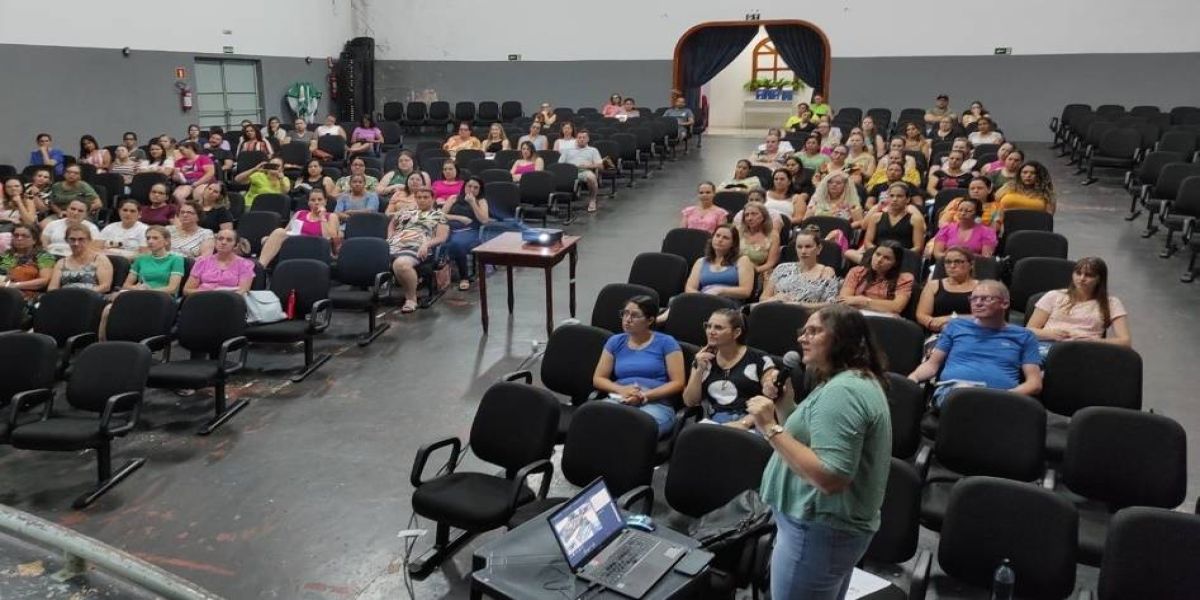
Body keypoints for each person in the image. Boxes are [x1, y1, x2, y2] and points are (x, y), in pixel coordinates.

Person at [752, 304, 891, 600]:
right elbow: (809, 437)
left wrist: (769, 427)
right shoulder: (845, 380)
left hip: (816, 530)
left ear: (842, 339)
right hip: (819, 528)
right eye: (803, 331)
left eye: (814, 331)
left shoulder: (844, 391)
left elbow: (830, 476)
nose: (802, 338)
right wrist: (784, 404)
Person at [909, 280, 1042, 405]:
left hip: (1000, 398)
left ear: (1005, 304)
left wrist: (1005, 396)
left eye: (986, 299)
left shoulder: (1024, 336)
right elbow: (932, 365)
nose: (977, 303)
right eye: (973, 298)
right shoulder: (955, 326)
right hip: (953, 393)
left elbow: (1034, 383)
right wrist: (913, 378)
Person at [593, 296, 686, 437]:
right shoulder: (615, 341)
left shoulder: (667, 343)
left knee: (632, 430)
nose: (627, 319)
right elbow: (598, 378)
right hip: (621, 398)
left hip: (655, 403)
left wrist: (643, 396)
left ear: (650, 320)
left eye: (634, 315)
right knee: (594, 421)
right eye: (625, 313)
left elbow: (678, 383)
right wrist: (621, 390)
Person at [684, 308, 779, 427]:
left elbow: (771, 396)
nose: (711, 331)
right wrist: (698, 370)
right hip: (714, 422)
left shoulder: (758, 359)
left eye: (718, 328)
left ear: (736, 333)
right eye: (708, 326)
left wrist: (743, 423)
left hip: (752, 423)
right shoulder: (703, 358)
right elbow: (690, 402)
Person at [1026, 257, 1131, 348]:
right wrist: (1050, 334)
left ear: (1099, 279)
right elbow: (1029, 331)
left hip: (1086, 350)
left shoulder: (1111, 303)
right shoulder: (1053, 296)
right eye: (1078, 273)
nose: (1082, 278)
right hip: (1048, 345)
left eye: (1089, 275)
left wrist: (1093, 341)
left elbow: (1125, 342)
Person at [387, 188, 448, 313]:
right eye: (419, 197)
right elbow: (392, 223)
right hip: (395, 243)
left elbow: (442, 237)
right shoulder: (406, 212)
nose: (422, 200)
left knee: (401, 265)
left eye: (425, 197)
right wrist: (390, 236)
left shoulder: (439, 215)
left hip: (418, 245)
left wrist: (426, 244)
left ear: (433, 199)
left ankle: (411, 298)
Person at [257, 189, 340, 267]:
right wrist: (271, 238)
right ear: (308, 203)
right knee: (279, 231)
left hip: (316, 247)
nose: (316, 202)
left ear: (325, 201)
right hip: (295, 244)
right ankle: (260, 267)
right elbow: (286, 232)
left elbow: (329, 237)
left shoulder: (331, 216)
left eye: (320, 199)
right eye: (313, 200)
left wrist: (322, 217)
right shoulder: (300, 213)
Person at [848, 183, 926, 264]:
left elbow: (918, 247)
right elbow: (868, 242)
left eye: (899, 196)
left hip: (902, 258)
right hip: (877, 256)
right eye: (891, 196)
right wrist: (879, 255)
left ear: (908, 199)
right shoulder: (876, 217)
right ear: (887, 198)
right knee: (848, 253)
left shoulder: (916, 219)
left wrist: (895, 256)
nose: (895, 199)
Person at [760, 228, 840, 306]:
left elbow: (831, 304)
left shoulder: (827, 273)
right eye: (799, 247)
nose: (803, 251)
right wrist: (775, 299)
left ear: (819, 248)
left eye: (808, 247)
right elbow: (763, 299)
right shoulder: (781, 268)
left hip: (807, 313)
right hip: (776, 310)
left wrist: (800, 305)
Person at [837, 240, 914, 316]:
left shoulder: (904, 279)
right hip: (856, 315)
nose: (879, 260)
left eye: (886, 258)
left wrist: (864, 301)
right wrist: (881, 305)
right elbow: (843, 300)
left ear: (895, 263)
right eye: (877, 254)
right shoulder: (857, 271)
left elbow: (897, 307)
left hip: (885, 318)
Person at [915, 246, 979, 333]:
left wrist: (951, 319)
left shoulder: (982, 287)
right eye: (948, 262)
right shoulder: (933, 285)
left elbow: (986, 316)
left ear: (971, 264)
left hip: (972, 332)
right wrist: (933, 323)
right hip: (940, 332)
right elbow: (921, 315)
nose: (952, 266)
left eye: (958, 261)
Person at [684, 223, 755, 301]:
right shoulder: (701, 261)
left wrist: (720, 291)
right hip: (702, 300)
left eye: (725, 238)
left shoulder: (742, 260)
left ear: (733, 243)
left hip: (727, 303)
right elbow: (689, 288)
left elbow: (746, 291)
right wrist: (703, 298)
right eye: (717, 236)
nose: (720, 240)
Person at [442, 177, 490, 290]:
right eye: (469, 186)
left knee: (457, 243)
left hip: (470, 231)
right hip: (449, 228)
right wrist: (460, 218)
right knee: (437, 239)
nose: (472, 189)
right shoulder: (453, 198)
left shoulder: (481, 201)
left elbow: (484, 220)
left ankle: (464, 277)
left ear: (480, 190)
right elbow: (440, 215)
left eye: (476, 188)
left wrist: (473, 203)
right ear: (464, 187)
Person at [182, 229, 254, 296]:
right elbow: (187, 290)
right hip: (203, 298)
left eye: (229, 240)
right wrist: (210, 293)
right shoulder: (202, 261)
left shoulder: (245, 264)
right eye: (220, 239)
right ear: (215, 242)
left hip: (229, 301)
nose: (223, 242)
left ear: (236, 245)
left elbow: (243, 291)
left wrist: (220, 296)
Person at [806, 172, 865, 250]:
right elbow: (806, 220)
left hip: (839, 236)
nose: (834, 185)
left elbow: (860, 222)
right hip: (816, 233)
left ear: (845, 186)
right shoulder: (817, 200)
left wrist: (844, 226)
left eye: (838, 183)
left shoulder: (852, 203)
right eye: (830, 182)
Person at [48, 224, 112, 293]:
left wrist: (81, 294)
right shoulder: (61, 263)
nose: (76, 243)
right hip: (65, 296)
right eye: (72, 239)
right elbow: (52, 288)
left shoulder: (100, 260)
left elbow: (105, 286)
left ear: (89, 240)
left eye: (81, 239)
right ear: (66, 240)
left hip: (91, 296)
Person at [120, 226, 184, 295]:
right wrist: (137, 288)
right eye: (148, 238)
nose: (150, 241)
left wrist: (149, 291)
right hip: (140, 294)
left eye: (155, 238)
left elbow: (172, 289)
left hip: (163, 297)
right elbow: (126, 285)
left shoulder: (176, 259)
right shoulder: (141, 259)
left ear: (166, 241)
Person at [0, 224, 55, 301]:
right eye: (16, 235)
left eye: (24, 236)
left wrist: (14, 285)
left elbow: (44, 281)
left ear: (34, 240)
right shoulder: (8, 255)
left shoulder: (44, 256)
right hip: (4, 292)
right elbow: (3, 275)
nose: (19, 238)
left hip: (29, 296)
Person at [930, 196, 997, 259]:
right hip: (947, 264)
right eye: (960, 210)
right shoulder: (946, 229)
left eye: (968, 211)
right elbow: (937, 253)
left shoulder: (987, 232)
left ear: (977, 214)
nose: (963, 213)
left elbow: (986, 258)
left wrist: (963, 257)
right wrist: (953, 259)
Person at [995, 161, 1056, 228]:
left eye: (1033, 173)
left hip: (1033, 228)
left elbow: (1048, 218)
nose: (1028, 175)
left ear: (1039, 176)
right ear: (1019, 174)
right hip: (1005, 227)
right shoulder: (1008, 186)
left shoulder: (1047, 193)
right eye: (1024, 172)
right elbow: (993, 204)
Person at [558, 129, 603, 212]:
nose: (581, 139)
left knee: (591, 177)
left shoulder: (593, 150)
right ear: (576, 139)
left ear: (588, 139)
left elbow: (600, 165)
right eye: (579, 137)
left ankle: (592, 200)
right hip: (569, 171)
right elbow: (560, 164)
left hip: (584, 171)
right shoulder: (568, 150)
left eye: (584, 137)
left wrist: (588, 166)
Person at [738, 201, 781, 282]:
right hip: (735, 270)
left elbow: (770, 263)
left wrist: (753, 270)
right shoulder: (738, 233)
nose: (749, 218)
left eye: (754, 214)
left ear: (763, 216)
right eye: (746, 215)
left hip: (758, 272)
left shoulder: (773, 235)